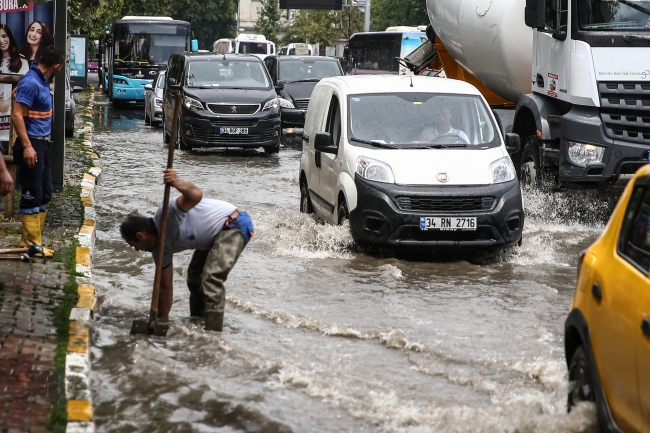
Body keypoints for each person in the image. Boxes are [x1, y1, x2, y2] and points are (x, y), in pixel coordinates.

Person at [120, 169, 255, 332]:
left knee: (211, 278)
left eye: (134, 246)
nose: (137, 250)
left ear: (140, 236)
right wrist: (161, 322)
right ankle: (199, 325)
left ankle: (213, 333)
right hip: (212, 238)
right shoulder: (159, 251)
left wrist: (176, 182)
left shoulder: (167, 213)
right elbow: (164, 288)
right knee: (195, 278)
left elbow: (196, 194)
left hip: (233, 223)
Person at [11, 45, 65, 255]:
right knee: (32, 193)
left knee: (44, 193)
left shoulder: (40, 81)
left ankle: (31, 242)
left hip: (42, 144)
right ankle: (31, 244)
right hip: (31, 143)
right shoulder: (32, 82)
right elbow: (16, 115)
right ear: (57, 65)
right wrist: (26, 146)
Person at [0, 24, 29, 144]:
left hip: (12, 120)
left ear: (9, 37)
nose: (1, 41)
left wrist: (8, 103)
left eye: (4, 36)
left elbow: (25, 89)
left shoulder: (22, 62)